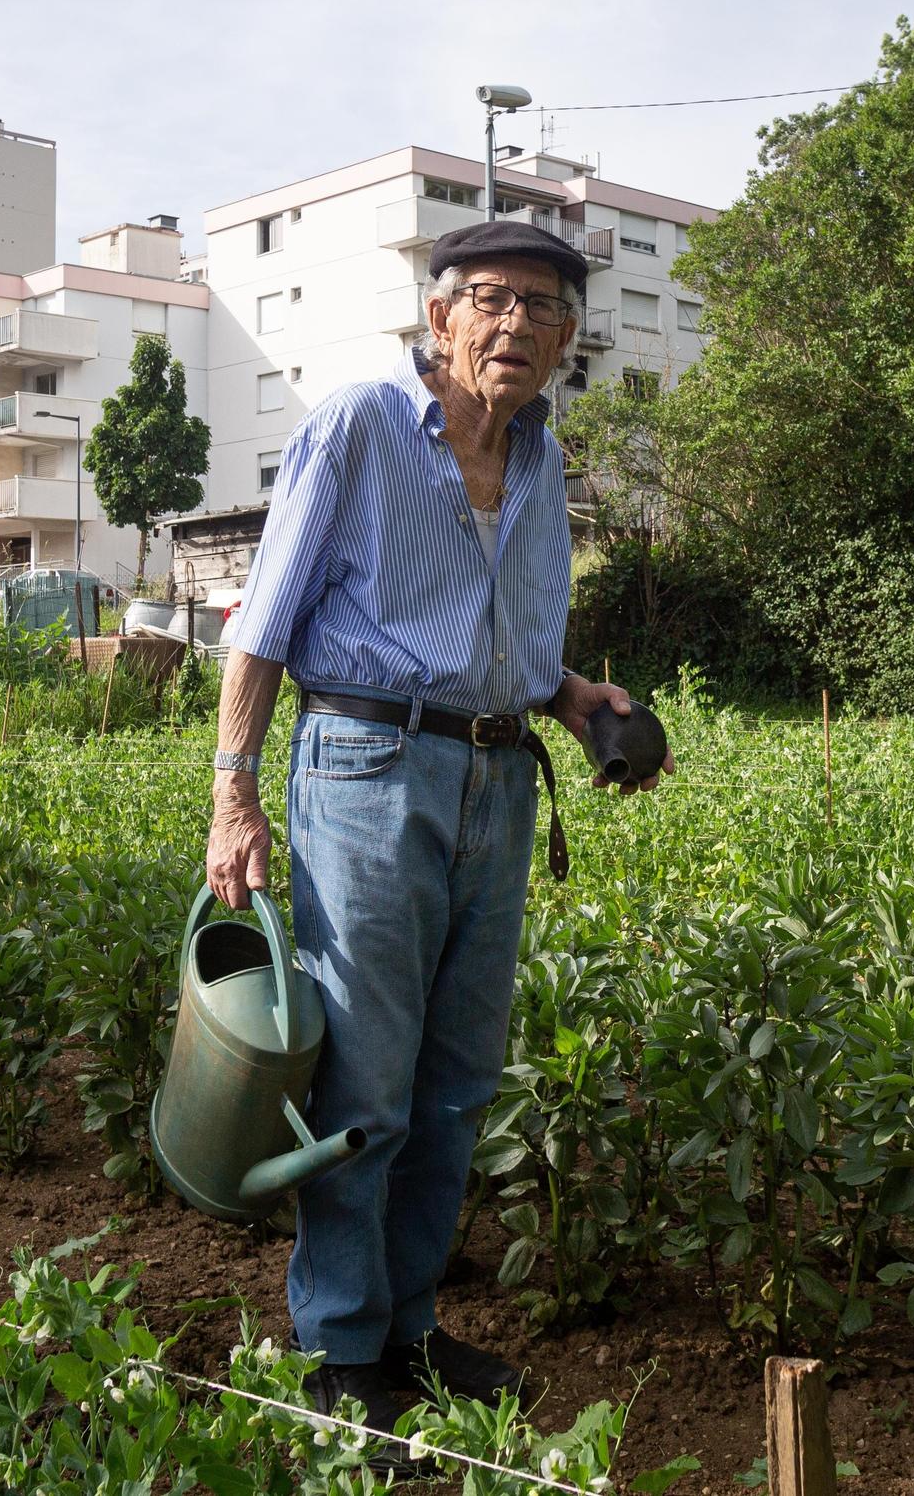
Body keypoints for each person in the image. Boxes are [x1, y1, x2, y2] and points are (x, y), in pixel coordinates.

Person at [204, 218, 674, 1461]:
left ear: (569, 342)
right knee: (365, 1076)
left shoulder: (539, 463)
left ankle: (408, 1330)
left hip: (495, 778)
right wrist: (232, 790)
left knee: (456, 1082)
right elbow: (261, 623)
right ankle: (339, 1353)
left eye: (544, 310)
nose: (516, 326)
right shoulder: (360, 426)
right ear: (442, 318)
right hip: (363, 766)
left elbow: (503, 646)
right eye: (493, 302)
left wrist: (575, 700)